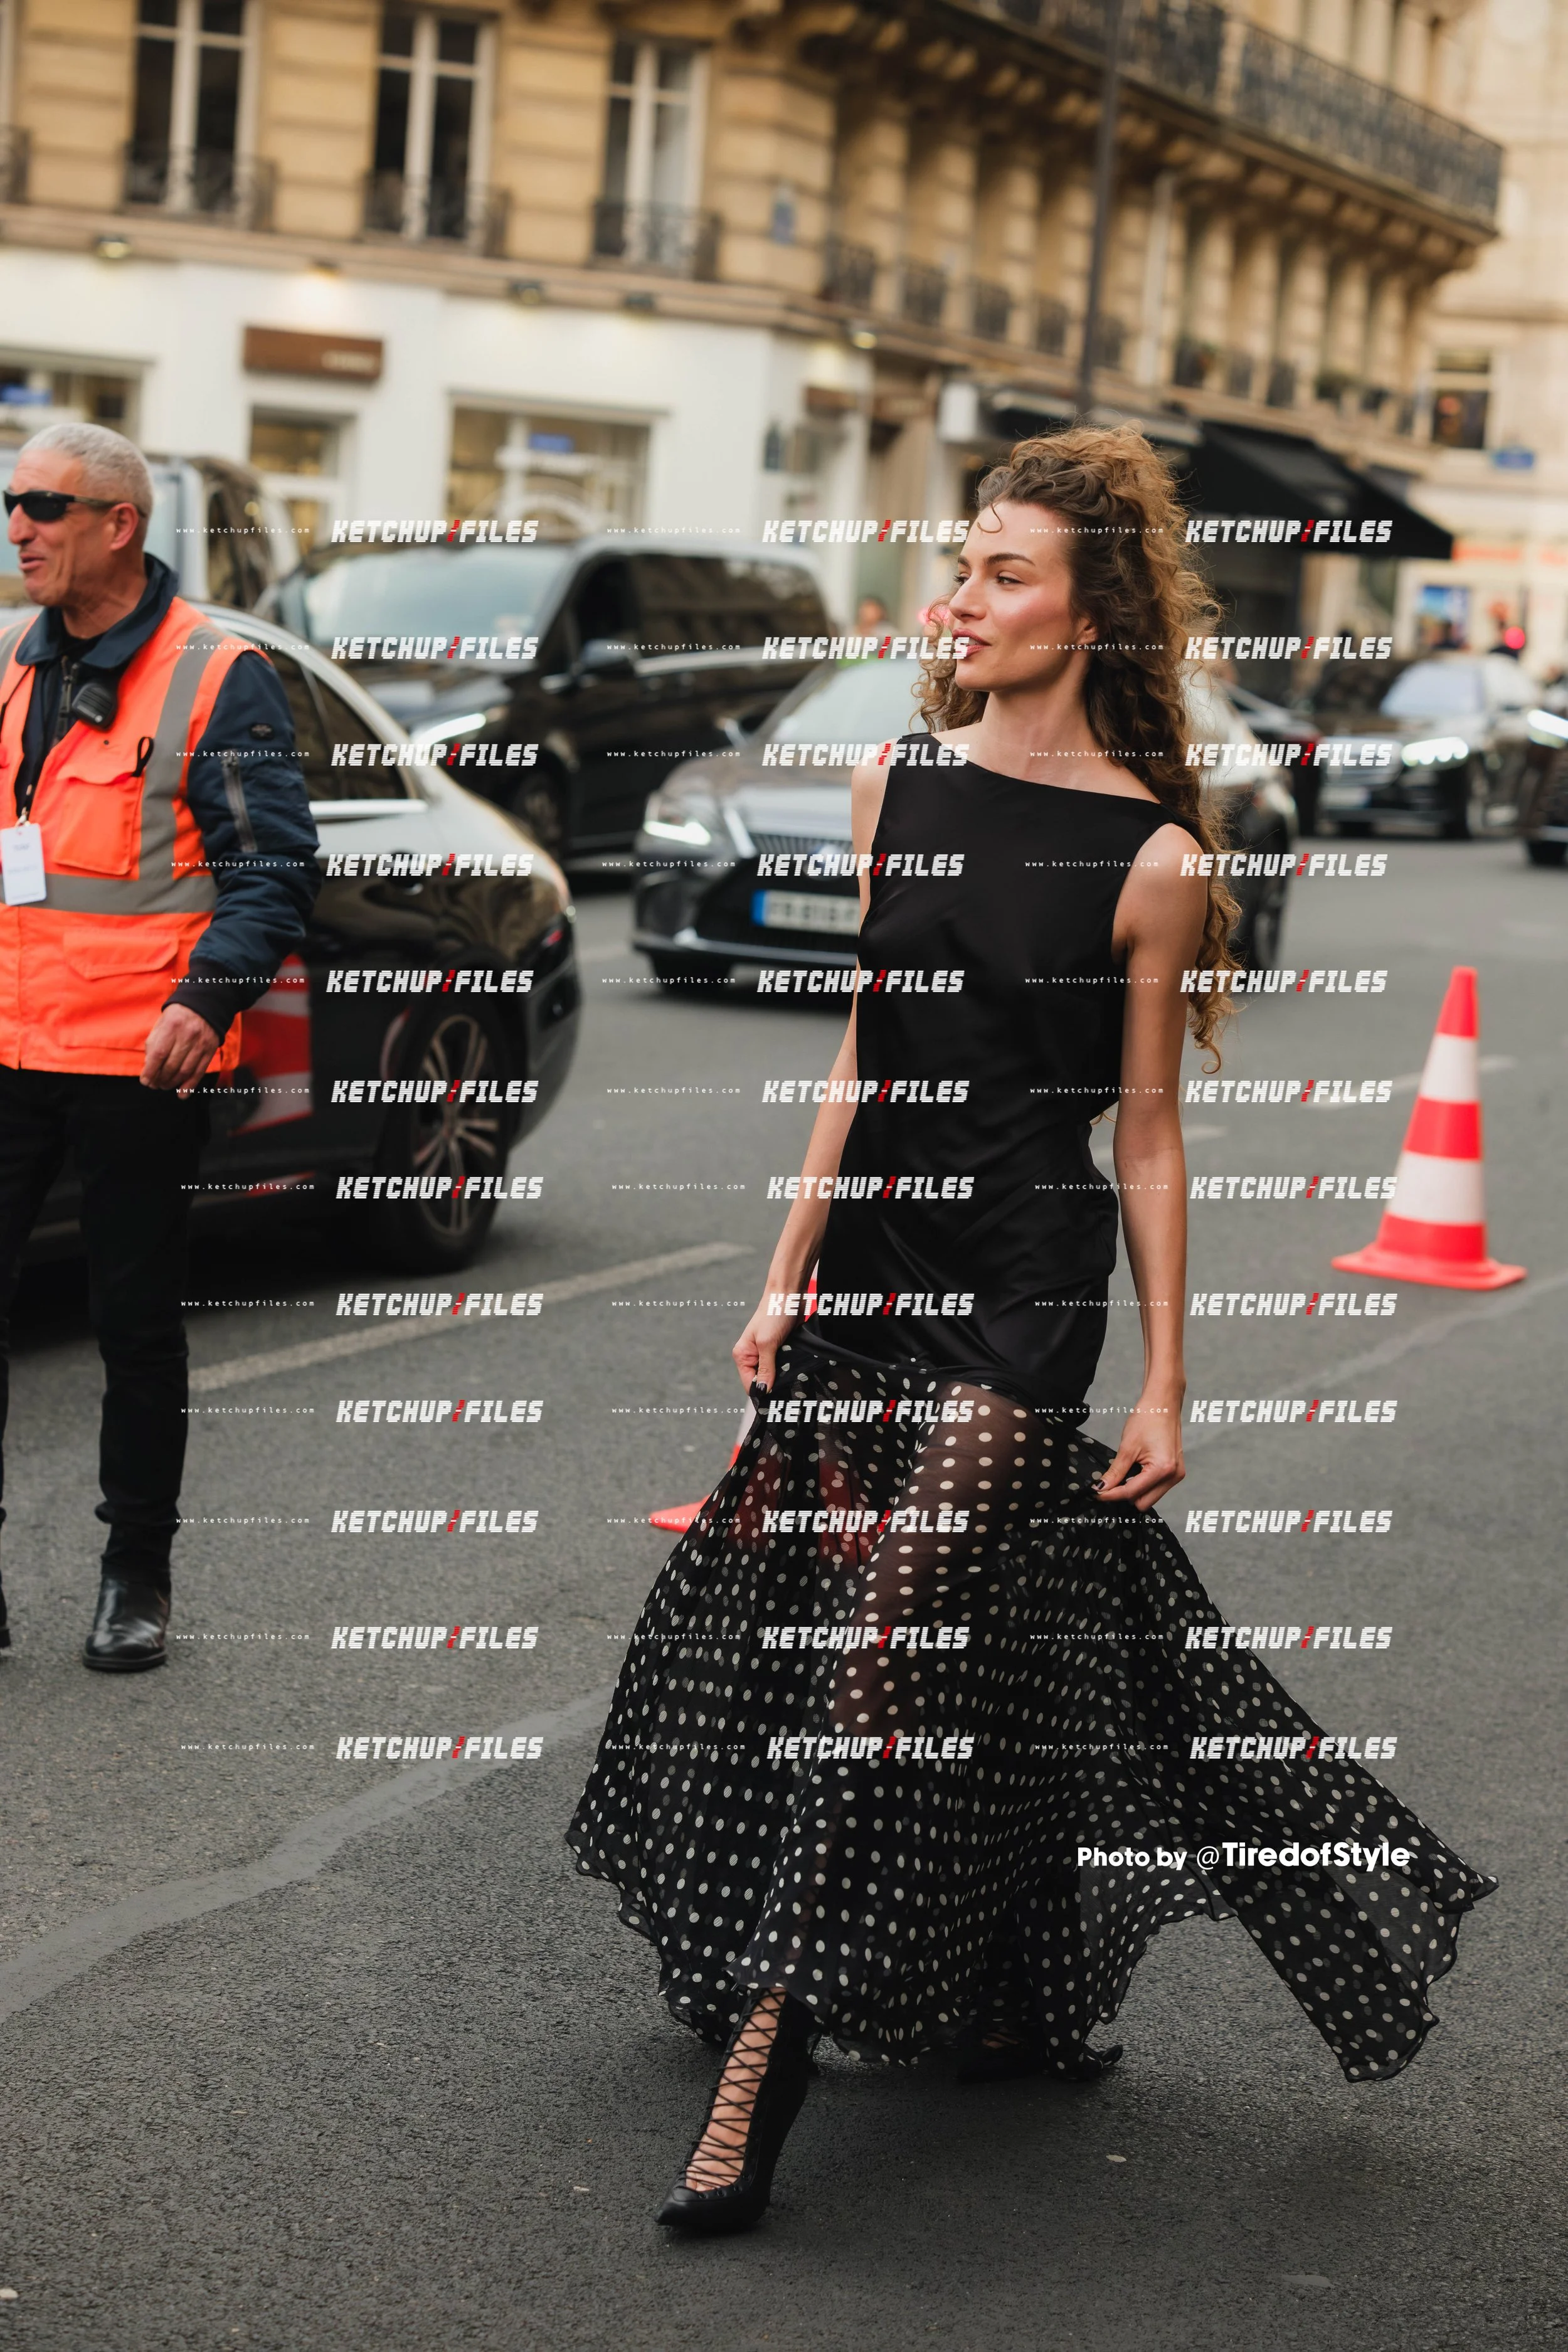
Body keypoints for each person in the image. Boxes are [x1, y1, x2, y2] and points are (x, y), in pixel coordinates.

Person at [568, 428, 1494, 2235]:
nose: (962, 598)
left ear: (1086, 615)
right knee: (869, 1622)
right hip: (869, 1263)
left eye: (1004, 573)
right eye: (963, 565)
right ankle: (999, 1980)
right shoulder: (889, 786)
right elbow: (860, 1046)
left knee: (894, 1632)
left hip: (1020, 1284)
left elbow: (1141, 1128)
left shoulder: (1150, 857)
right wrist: (782, 1266)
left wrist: (1160, 1369)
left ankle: (769, 2057)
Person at [0, 422, 318, 1670]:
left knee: (132, 1325)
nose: (18, 525)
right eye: (10, 503)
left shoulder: (213, 671)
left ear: (117, 524)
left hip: (140, 1059)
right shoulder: (14, 666)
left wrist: (209, 998)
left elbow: (273, 870)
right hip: (8, 1049)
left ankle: (137, 1573)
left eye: (43, 505)